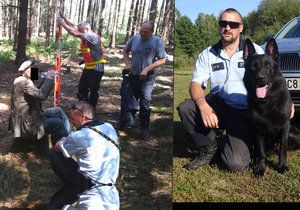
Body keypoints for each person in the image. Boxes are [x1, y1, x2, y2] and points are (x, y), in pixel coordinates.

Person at [177, 8, 265, 172]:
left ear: (241, 27)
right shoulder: (208, 53)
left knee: (235, 164)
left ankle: (237, 143)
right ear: (219, 26)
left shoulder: (255, 51)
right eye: (223, 23)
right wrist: (203, 106)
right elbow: (196, 84)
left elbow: (271, 76)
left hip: (244, 110)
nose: (227, 28)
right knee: (187, 108)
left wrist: (286, 102)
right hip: (217, 104)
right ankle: (208, 146)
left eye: (233, 24)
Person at [46, 101, 120, 209]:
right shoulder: (109, 127)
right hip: (110, 190)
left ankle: (71, 185)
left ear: (82, 117)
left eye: (72, 118)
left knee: (54, 153)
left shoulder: (80, 136)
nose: (71, 122)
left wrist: (64, 140)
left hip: (91, 186)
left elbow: (57, 147)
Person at [9, 59, 71, 147]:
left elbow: (36, 92)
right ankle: (60, 148)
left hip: (31, 116)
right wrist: (49, 78)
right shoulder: (23, 82)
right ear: (27, 70)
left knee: (58, 110)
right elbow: (42, 95)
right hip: (27, 125)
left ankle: (70, 139)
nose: (36, 71)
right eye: (34, 69)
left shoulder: (23, 79)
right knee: (58, 123)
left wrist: (47, 77)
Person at [122, 20, 166, 140]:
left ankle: (144, 129)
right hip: (133, 75)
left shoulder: (157, 41)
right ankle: (129, 122)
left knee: (145, 101)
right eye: (141, 30)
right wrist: (127, 64)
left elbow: (162, 59)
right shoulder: (135, 38)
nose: (142, 33)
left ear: (152, 31)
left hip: (147, 78)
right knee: (131, 100)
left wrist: (147, 69)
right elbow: (125, 51)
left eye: (145, 32)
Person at [58, 11, 105, 110]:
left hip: (96, 68)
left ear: (87, 29)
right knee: (82, 88)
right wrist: (64, 18)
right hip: (89, 67)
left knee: (93, 90)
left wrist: (62, 23)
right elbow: (74, 26)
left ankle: (91, 109)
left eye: (81, 30)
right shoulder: (85, 32)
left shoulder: (91, 36)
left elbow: (73, 32)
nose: (79, 32)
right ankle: (83, 106)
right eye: (79, 30)